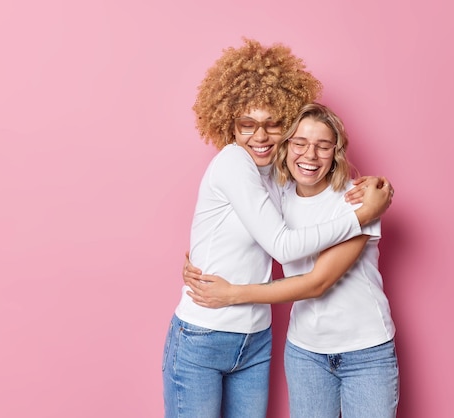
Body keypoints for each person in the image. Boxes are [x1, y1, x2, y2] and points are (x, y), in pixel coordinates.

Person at [162, 39, 394, 418]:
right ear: (228, 124)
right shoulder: (234, 162)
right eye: (247, 124)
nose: (261, 136)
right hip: (205, 332)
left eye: (273, 124)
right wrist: (361, 216)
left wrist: (375, 187)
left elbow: (316, 188)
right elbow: (284, 247)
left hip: (256, 338)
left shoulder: (278, 176)